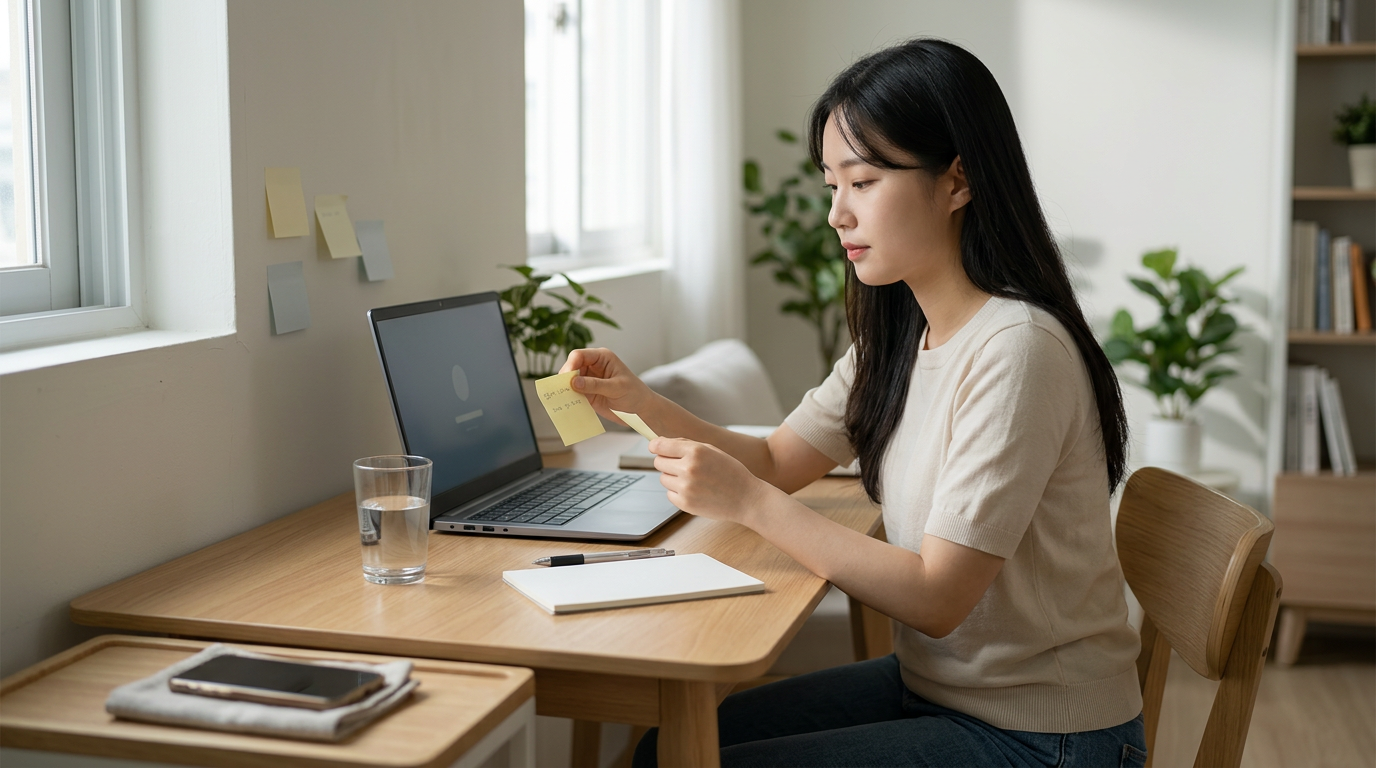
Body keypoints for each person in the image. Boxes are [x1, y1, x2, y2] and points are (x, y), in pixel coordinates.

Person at [561, 38, 1146, 768]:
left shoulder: (1016, 350)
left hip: (1043, 734)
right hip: (942, 690)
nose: (838, 214)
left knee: (684, 760)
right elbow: (776, 458)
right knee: (665, 748)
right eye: (830, 185)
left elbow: (937, 597)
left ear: (958, 180)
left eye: (862, 182)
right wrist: (639, 401)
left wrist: (749, 503)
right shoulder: (905, 333)